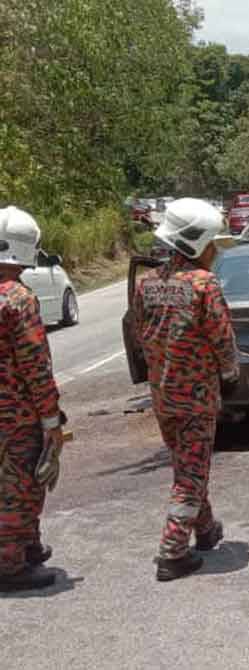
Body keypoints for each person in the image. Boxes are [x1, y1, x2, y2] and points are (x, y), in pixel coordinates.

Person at [136, 198, 238, 582]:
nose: (215, 251)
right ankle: (172, 551)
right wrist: (230, 372)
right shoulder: (203, 284)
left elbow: (139, 335)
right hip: (196, 397)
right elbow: (221, 337)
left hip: (163, 395)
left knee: (187, 464)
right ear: (198, 244)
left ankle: (206, 528)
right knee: (190, 475)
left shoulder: (148, 284)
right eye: (213, 243)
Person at [0, 206, 66, 592]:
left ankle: (26, 545)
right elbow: (35, 364)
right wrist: (51, 417)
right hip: (16, 413)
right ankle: (10, 565)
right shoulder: (18, 299)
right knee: (21, 485)